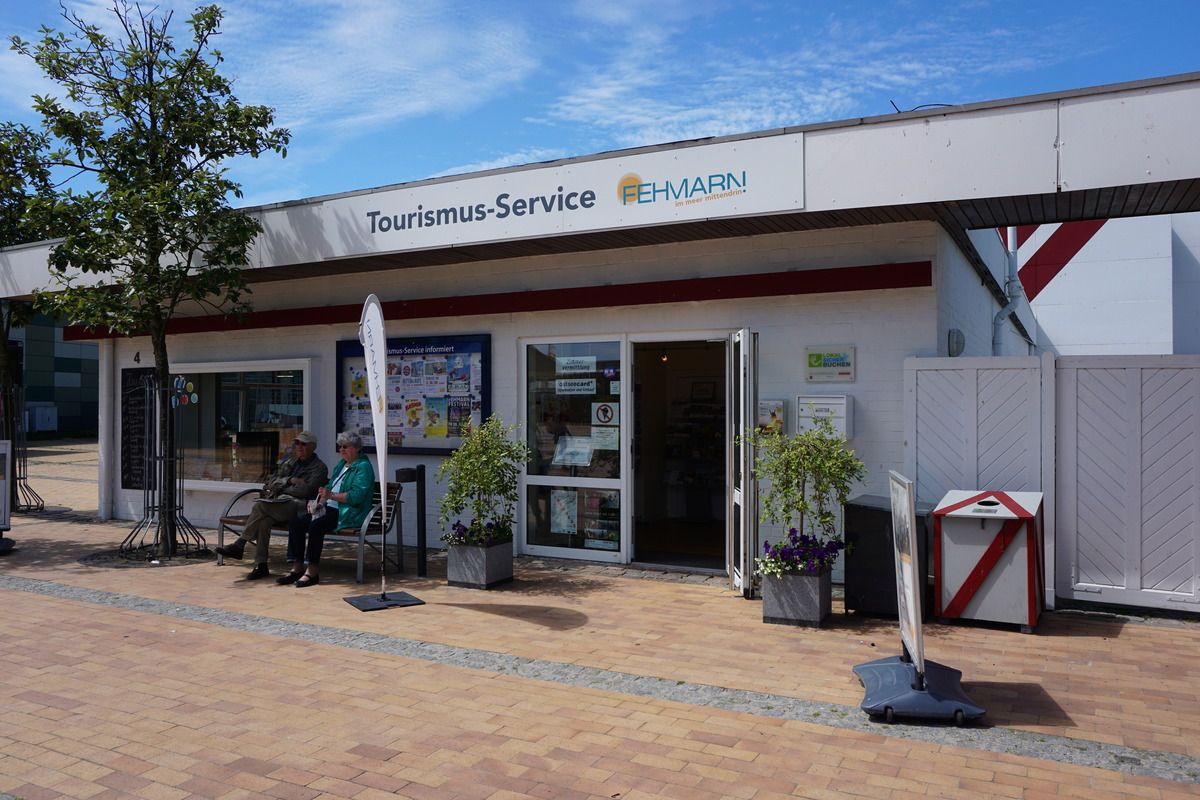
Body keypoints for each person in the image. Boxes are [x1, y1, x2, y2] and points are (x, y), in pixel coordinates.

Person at [216, 431, 329, 579]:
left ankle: (240, 543)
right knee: (263, 521)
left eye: (304, 444)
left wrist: (282, 486)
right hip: (279, 504)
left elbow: (305, 490)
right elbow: (270, 481)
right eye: (297, 443)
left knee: (259, 506)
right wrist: (289, 481)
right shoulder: (291, 462)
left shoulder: (319, 468)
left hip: (300, 507)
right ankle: (261, 565)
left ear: (313, 447)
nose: (299, 447)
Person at [279, 431, 375, 587]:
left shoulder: (363, 467)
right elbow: (328, 489)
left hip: (348, 512)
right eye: (340, 447)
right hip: (330, 508)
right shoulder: (341, 465)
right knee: (297, 522)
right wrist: (320, 503)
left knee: (316, 526)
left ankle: (312, 571)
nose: (341, 450)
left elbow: (357, 496)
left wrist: (331, 495)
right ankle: (297, 568)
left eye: (345, 447)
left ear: (356, 448)